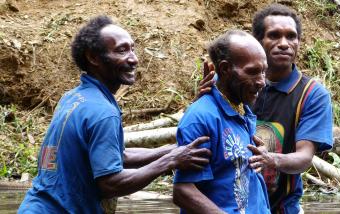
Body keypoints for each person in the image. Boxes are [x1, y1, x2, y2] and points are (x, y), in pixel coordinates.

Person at [17, 15, 211, 214]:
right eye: (121, 50)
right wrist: (169, 162)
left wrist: (176, 150)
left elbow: (119, 156)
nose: (134, 59)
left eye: (132, 48)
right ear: (93, 58)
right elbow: (110, 184)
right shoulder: (103, 112)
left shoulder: (73, 97)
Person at [198, 4, 334, 213]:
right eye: (274, 36)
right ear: (258, 42)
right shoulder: (227, 82)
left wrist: (270, 159)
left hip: (280, 207)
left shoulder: (312, 94)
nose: (284, 44)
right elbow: (203, 134)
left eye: (291, 36)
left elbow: (304, 157)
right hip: (225, 206)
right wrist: (202, 102)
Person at [172, 30, 271, 214]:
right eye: (252, 72)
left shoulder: (240, 108)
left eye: (264, 71)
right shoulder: (200, 118)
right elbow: (183, 191)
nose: (261, 82)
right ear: (225, 69)